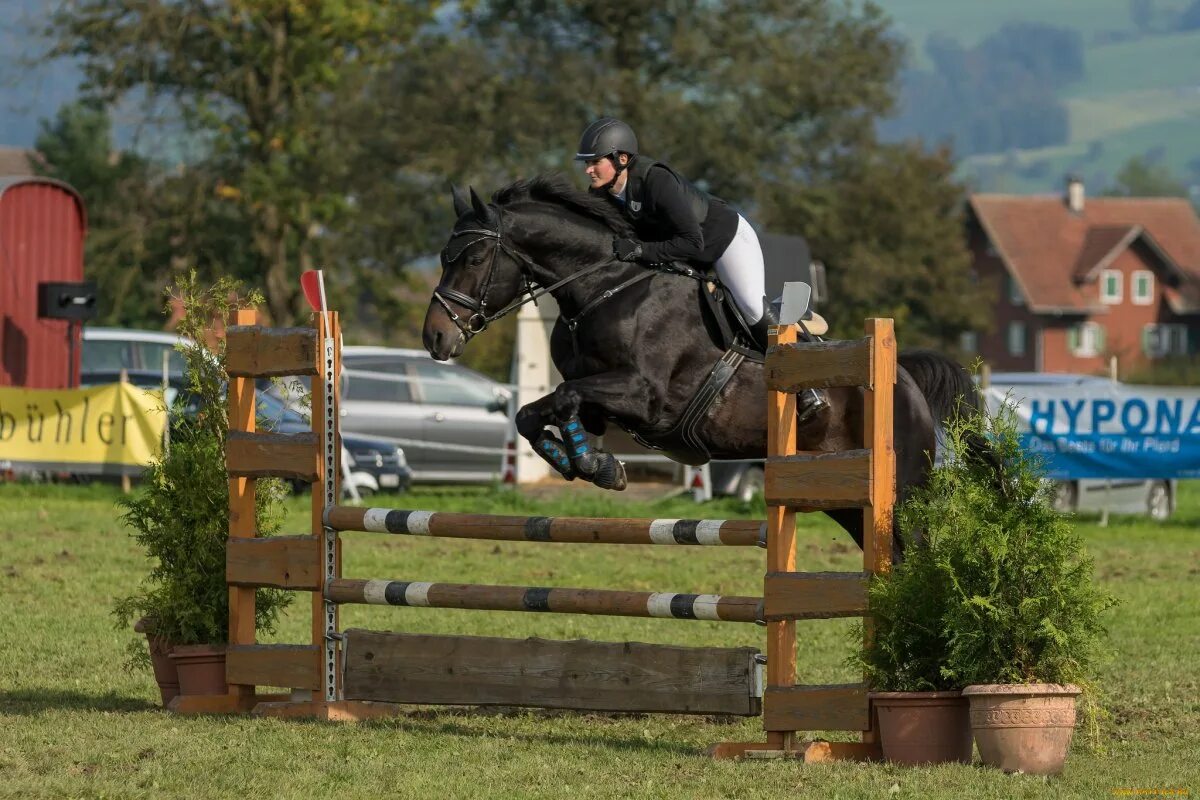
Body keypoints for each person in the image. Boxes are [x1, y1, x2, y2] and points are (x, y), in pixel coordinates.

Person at [574, 116, 828, 423]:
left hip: (723, 241)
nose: (588, 170)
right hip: (682, 255)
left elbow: (692, 243)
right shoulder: (599, 196)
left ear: (622, 159)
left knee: (750, 306)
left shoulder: (656, 181)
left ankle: (806, 383)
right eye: (586, 163)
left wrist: (641, 250)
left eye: (595, 162)